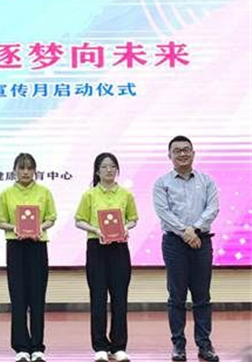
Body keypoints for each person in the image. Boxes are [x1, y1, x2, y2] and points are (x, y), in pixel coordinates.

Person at [153, 135, 220, 362]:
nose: (182, 154)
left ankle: (205, 345)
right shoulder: (162, 183)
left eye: (186, 150)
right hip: (174, 244)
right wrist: (185, 232)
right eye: (177, 150)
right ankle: (178, 346)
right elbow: (163, 212)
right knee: (176, 297)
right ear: (169, 155)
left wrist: (195, 230)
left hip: (202, 242)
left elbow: (213, 208)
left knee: (202, 297)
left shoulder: (207, 181)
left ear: (193, 153)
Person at [74, 152, 138, 362]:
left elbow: (133, 219)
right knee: (98, 298)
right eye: (104, 166)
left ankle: (118, 346)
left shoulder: (125, 194)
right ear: (97, 171)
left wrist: (125, 228)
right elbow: (79, 220)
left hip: (119, 248)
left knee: (120, 298)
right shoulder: (90, 195)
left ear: (117, 170)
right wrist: (95, 229)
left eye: (112, 166)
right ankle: (100, 346)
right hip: (97, 248)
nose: (109, 170)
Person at [0, 153, 56, 362]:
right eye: (21, 168)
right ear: (14, 171)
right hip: (16, 247)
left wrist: (40, 227)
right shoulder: (6, 194)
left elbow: (51, 218)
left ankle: (37, 347)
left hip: (38, 246)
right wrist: (15, 228)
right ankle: (21, 347)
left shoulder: (44, 192)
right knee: (18, 298)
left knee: (37, 298)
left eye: (29, 168)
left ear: (35, 171)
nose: (25, 172)